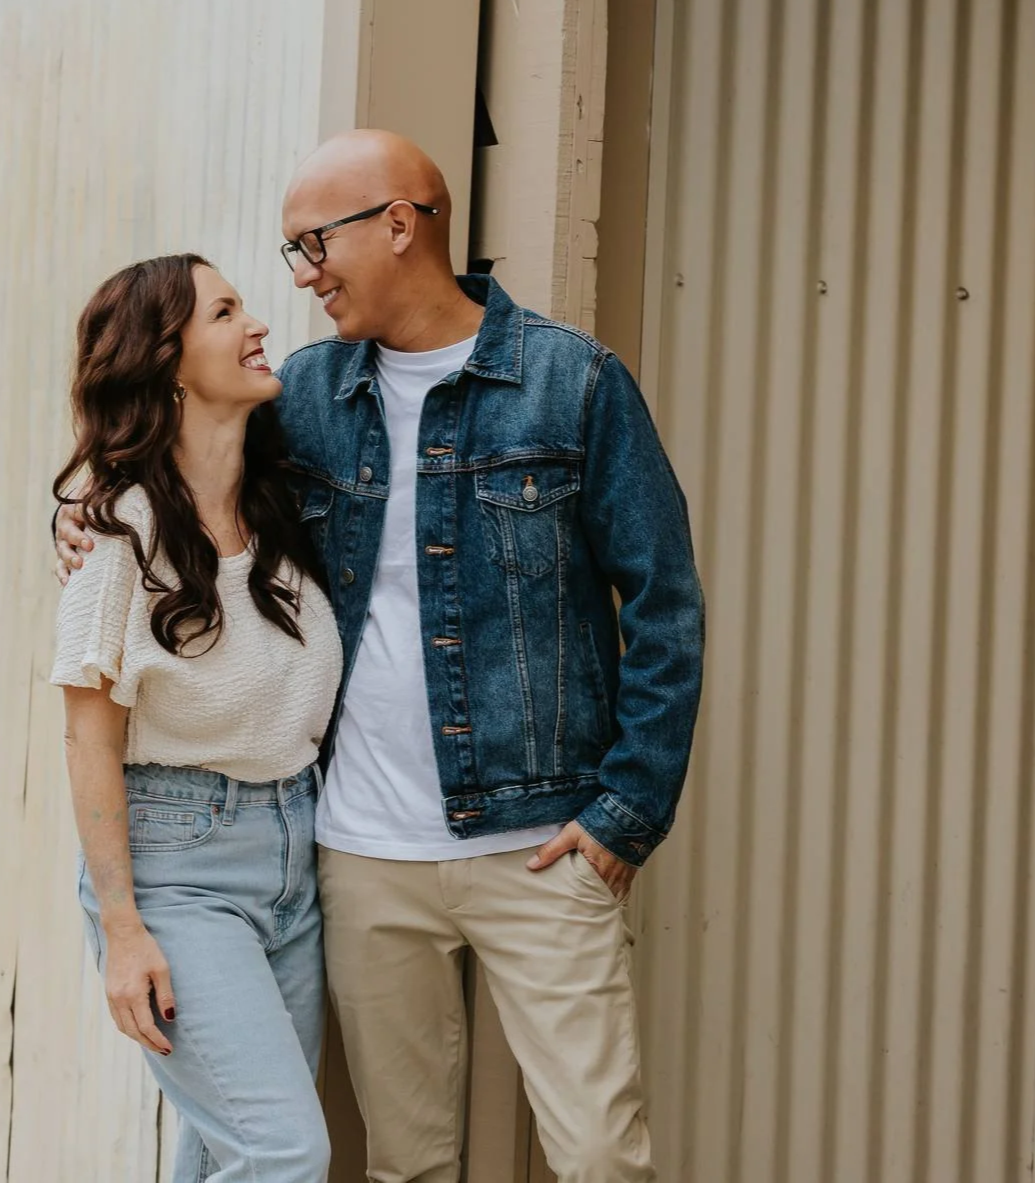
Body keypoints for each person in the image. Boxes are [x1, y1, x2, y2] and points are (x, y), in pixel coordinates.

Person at [57, 132, 704, 1183]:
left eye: (312, 244)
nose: (299, 277)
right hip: (357, 851)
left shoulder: (571, 383)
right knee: (405, 1162)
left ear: (398, 224)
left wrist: (624, 811)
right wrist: (81, 511)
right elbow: (174, 469)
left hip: (540, 841)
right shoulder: (305, 395)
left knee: (599, 1153)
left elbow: (666, 605)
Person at [51, 253, 342, 1183]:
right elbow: (88, 738)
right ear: (167, 361)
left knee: (227, 1150)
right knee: (283, 1152)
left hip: (295, 855)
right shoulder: (118, 537)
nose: (257, 325)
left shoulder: (280, 504)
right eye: (224, 312)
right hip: (179, 869)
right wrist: (123, 930)